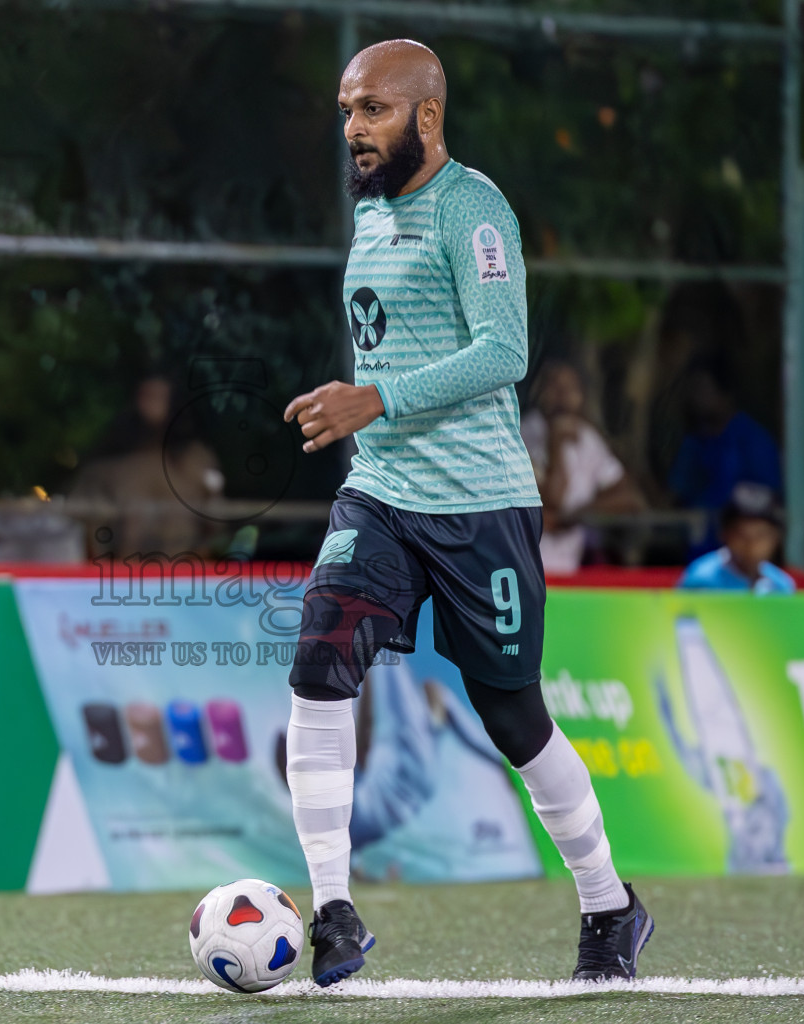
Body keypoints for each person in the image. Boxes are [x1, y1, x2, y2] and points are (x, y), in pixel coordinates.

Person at [280, 39, 652, 988]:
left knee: (513, 715)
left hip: (482, 505)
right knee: (320, 662)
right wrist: (370, 417)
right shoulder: (369, 215)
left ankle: (611, 904)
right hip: (382, 498)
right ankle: (331, 911)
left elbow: (505, 351)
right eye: (346, 111)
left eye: (372, 110)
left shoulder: (473, 208)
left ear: (427, 116)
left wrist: (375, 397)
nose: (355, 129)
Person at [69, 374, 225, 558]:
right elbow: (85, 522)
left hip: (183, 573)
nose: (150, 404)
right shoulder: (112, 462)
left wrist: (201, 565)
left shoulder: (196, 459)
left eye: (159, 396)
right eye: (145, 396)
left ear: (174, 401)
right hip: (128, 573)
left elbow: (216, 522)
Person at [520, 361, 645, 574]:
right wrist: (556, 444)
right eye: (554, 387)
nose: (562, 395)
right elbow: (553, 500)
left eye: (570, 388)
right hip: (527, 567)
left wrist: (579, 514)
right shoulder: (525, 433)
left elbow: (629, 499)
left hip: (570, 571)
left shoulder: (588, 438)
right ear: (539, 392)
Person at [668, 359, 782, 554]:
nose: (695, 398)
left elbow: (770, 498)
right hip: (695, 552)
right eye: (692, 390)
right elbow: (677, 494)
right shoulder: (694, 442)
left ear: (725, 395)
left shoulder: (752, 440)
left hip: (744, 554)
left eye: (702, 389)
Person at [678, 484, 796, 595]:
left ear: (776, 539)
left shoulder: (781, 586)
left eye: (760, 536)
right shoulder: (701, 582)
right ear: (724, 535)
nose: (751, 545)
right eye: (742, 536)